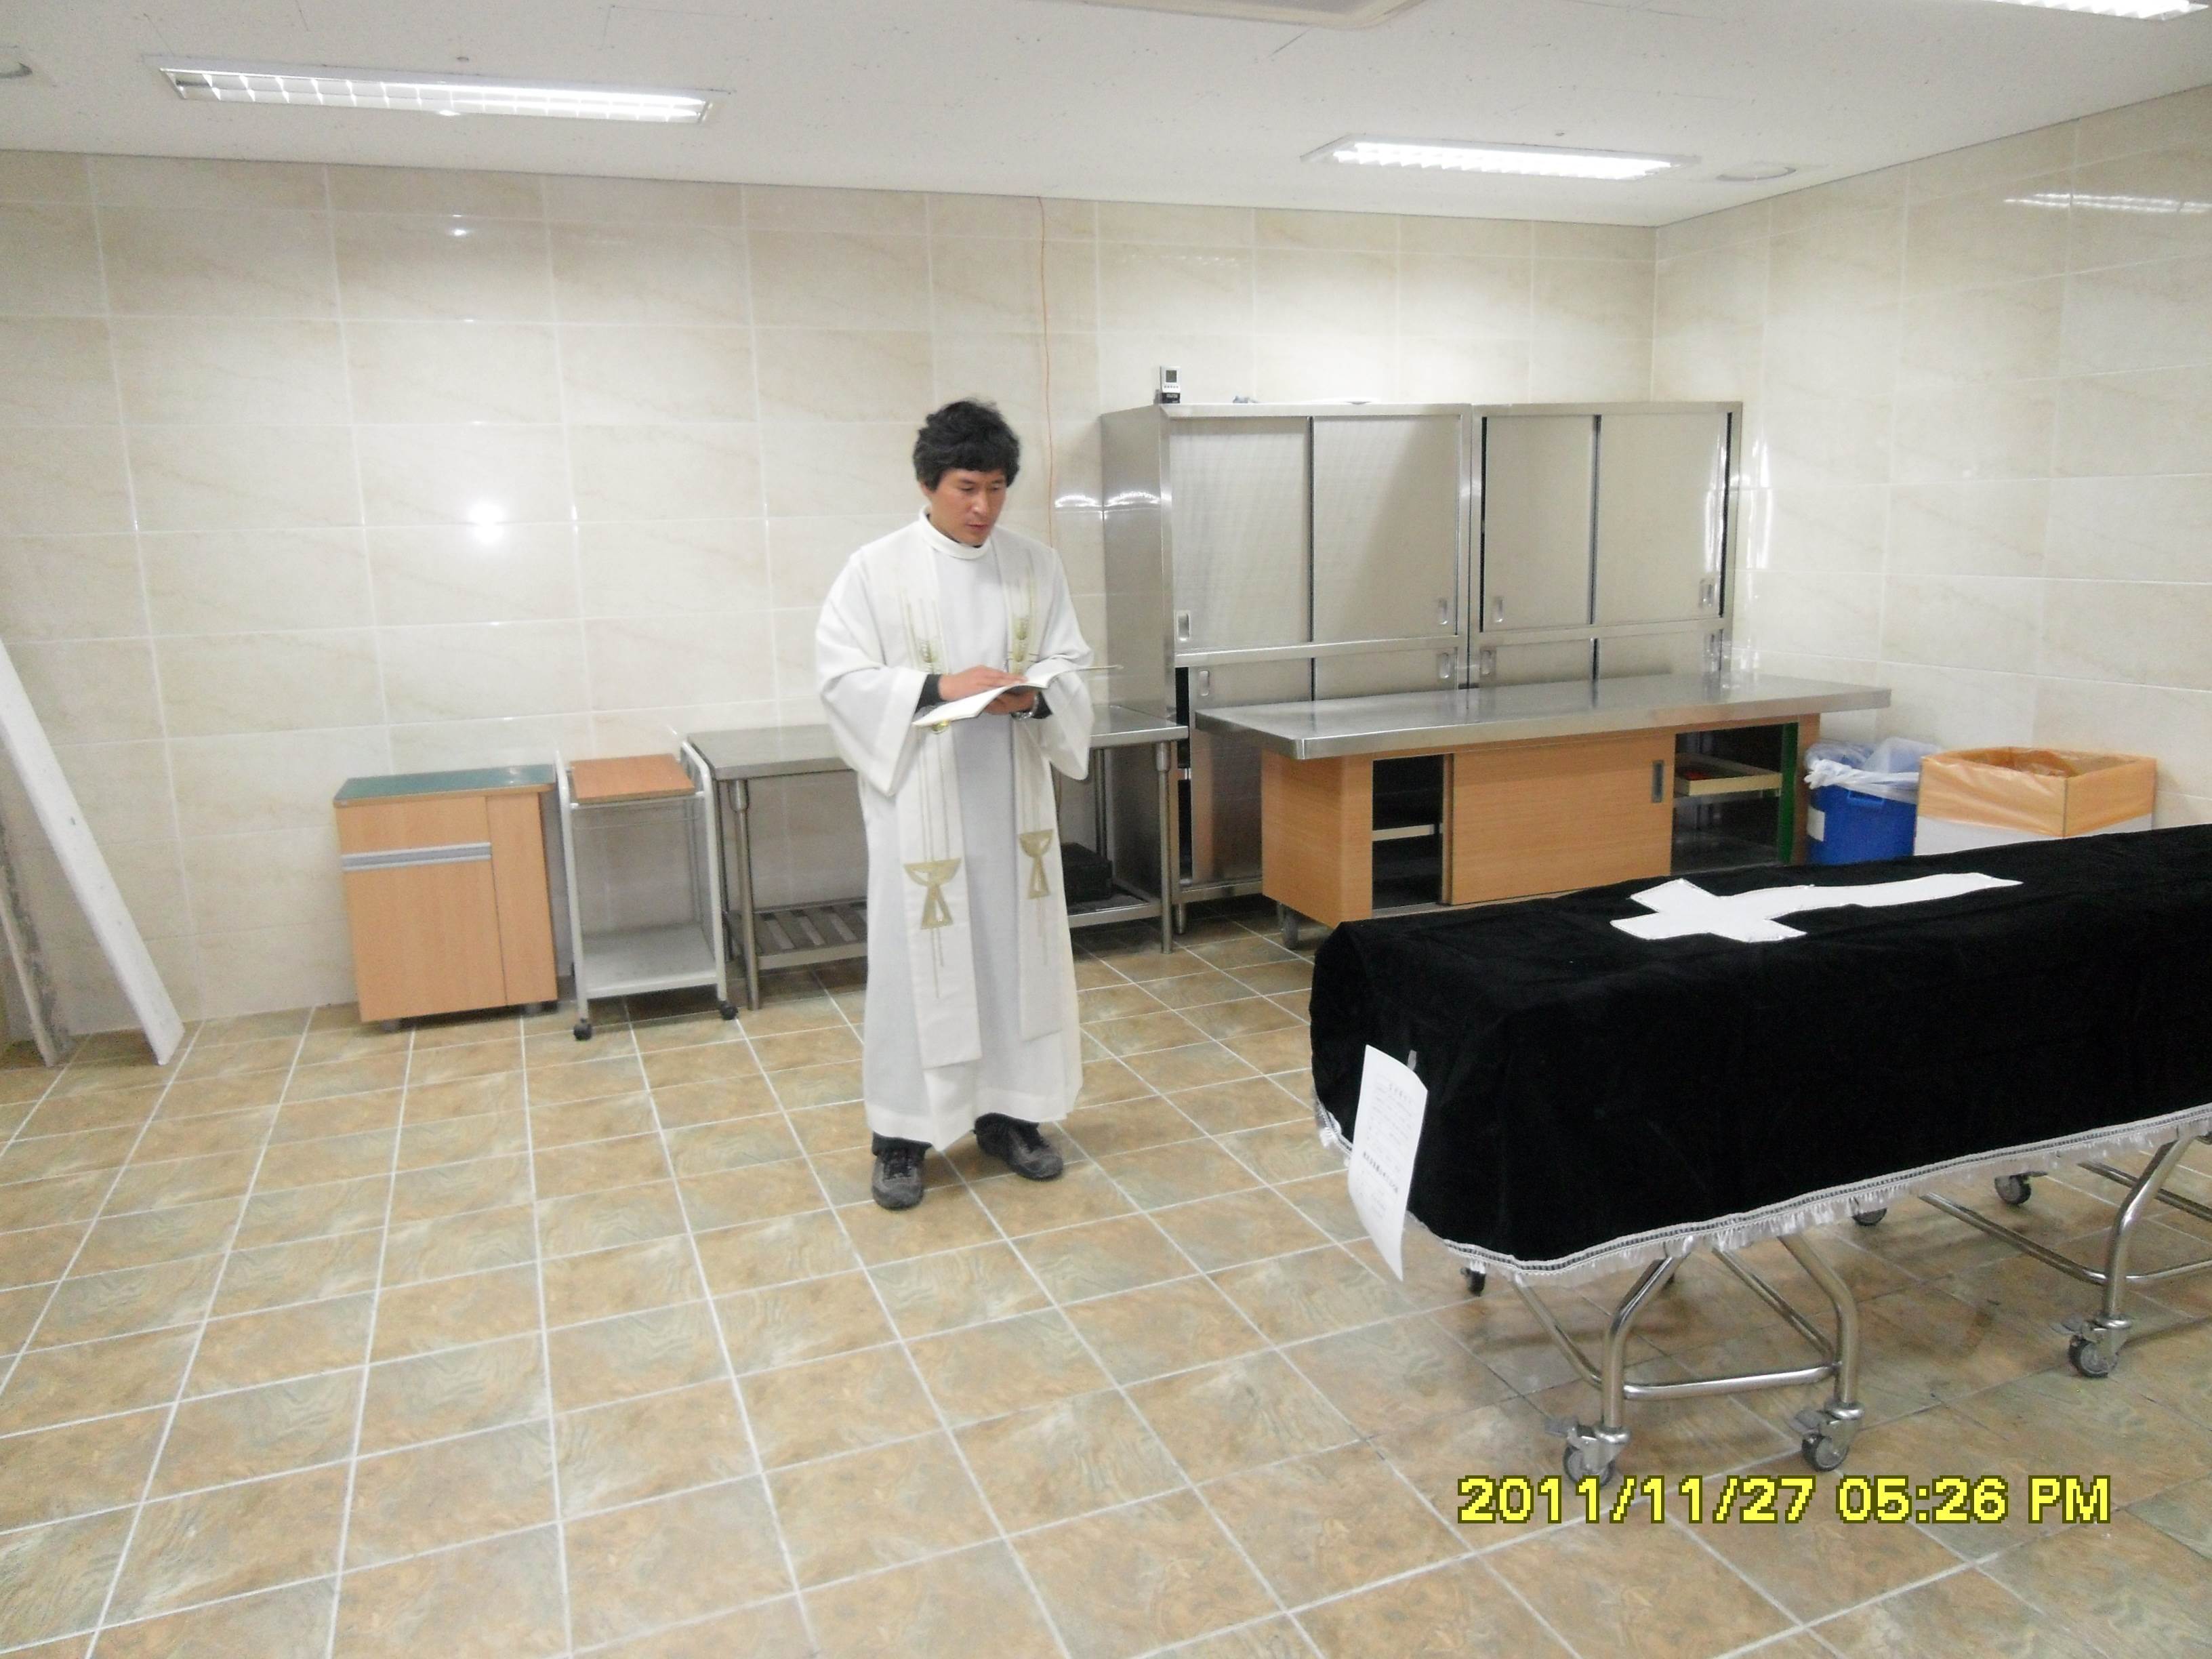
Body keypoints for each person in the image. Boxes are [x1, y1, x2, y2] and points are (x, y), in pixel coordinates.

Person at [814, 401, 1096, 1209]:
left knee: (1014, 962)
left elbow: (1068, 664)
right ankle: (901, 1138)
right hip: (922, 813)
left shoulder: (1036, 566)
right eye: (967, 488)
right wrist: (942, 687)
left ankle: (1013, 1117)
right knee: (917, 973)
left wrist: (1035, 698)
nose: (983, 507)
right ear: (928, 484)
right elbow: (842, 681)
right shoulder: (875, 571)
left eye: (998, 488)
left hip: (1013, 812)